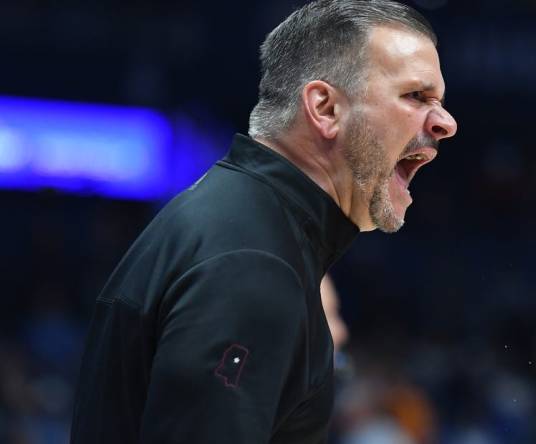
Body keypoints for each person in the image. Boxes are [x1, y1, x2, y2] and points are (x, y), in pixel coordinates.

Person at [70, 0, 457, 443]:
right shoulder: (254, 260)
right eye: (416, 96)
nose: (447, 122)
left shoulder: (236, 221)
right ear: (326, 108)